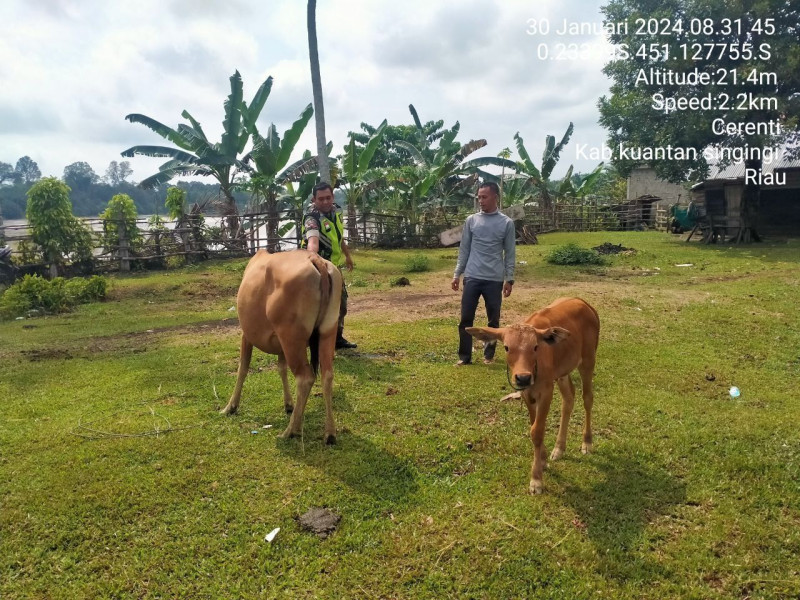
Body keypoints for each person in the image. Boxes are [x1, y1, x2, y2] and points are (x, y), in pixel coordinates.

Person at [451, 181, 515, 365]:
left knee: (493, 320)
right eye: (479, 197)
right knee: (466, 319)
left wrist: (509, 279)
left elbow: (510, 253)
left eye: (484, 197)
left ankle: (489, 356)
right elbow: (464, 249)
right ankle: (464, 357)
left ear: (495, 197)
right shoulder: (471, 220)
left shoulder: (506, 223)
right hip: (472, 276)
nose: (480, 200)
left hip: (494, 278)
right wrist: (457, 274)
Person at [302, 182, 357, 350]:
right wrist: (313, 258)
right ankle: (314, 342)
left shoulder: (336, 212)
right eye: (321, 199)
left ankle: (337, 339)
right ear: (314, 199)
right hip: (316, 268)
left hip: (335, 268)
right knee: (319, 306)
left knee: (341, 304)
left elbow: (338, 237)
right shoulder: (312, 218)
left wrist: (347, 255)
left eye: (328, 198)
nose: (325, 202)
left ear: (333, 197)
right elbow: (312, 242)